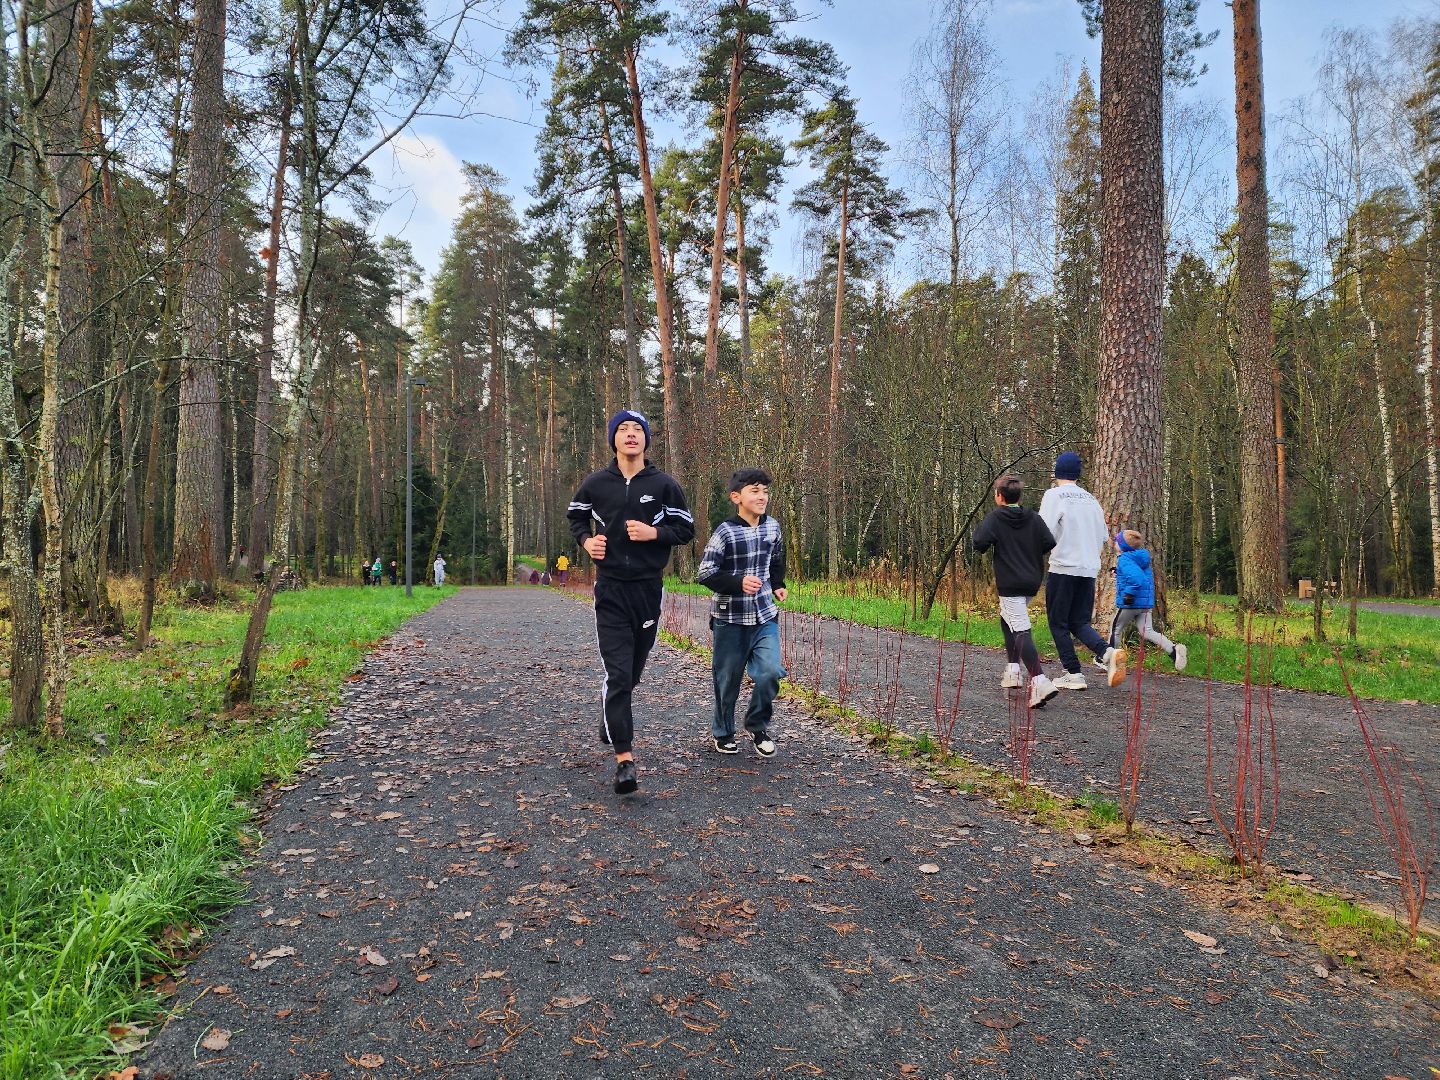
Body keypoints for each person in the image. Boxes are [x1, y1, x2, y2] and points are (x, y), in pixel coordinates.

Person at [568, 409, 694, 795]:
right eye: (623, 429)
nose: (630, 435)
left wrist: (654, 534)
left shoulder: (664, 485)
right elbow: (576, 517)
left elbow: (685, 530)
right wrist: (587, 542)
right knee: (619, 675)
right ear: (613, 439)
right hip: (609, 590)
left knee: (632, 674)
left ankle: (611, 714)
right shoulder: (595, 484)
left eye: (637, 429)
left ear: (645, 439)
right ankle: (625, 761)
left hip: (647, 590)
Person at [697, 468, 788, 756]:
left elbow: (776, 558)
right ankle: (723, 731)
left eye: (765, 491)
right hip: (730, 619)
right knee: (727, 680)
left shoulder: (773, 527)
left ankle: (757, 724)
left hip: (764, 615)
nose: (762, 496)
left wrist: (778, 584)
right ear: (736, 497)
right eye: (755, 491)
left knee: (770, 672)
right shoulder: (725, 532)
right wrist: (738, 582)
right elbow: (705, 573)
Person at [972, 474, 1059, 709]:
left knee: (1020, 629)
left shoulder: (996, 518)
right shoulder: (1033, 517)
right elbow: (1049, 542)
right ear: (1019, 496)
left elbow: (978, 542)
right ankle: (1012, 669)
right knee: (1007, 617)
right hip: (1032, 581)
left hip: (1010, 582)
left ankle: (1040, 680)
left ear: (999, 496)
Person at [1039, 452, 1125, 690]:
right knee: (1079, 622)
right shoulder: (1091, 499)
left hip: (1063, 567)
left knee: (1058, 622)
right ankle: (1107, 654)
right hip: (1088, 569)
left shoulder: (1054, 495)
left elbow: (1044, 531)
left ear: (1057, 472)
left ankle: (1073, 673)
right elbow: (1102, 536)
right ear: (1077, 474)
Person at [1107, 529, 1188, 674]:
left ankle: (1110, 662)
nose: (1114, 543)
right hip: (1144, 604)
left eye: (1117, 541)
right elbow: (1136, 572)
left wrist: (1128, 594)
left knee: (1115, 630)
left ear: (1123, 546)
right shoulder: (1139, 557)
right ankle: (1173, 650)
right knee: (1147, 631)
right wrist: (1119, 571)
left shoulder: (1124, 559)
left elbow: (1137, 579)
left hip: (1130, 603)